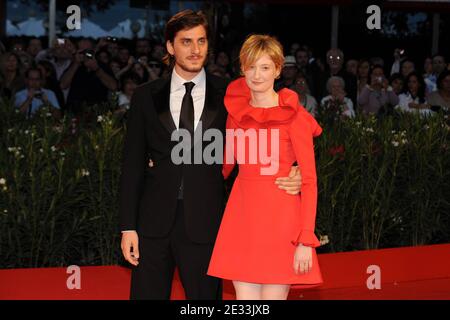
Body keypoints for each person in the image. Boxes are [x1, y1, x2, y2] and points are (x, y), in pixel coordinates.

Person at [118, 10, 302, 300]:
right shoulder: (145, 96)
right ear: (170, 47)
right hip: (152, 224)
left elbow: (279, 107)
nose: (195, 50)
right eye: (186, 42)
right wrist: (128, 226)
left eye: (201, 41)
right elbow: (132, 165)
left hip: (207, 224)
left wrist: (296, 169)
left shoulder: (232, 92)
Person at [207, 34, 323, 300]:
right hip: (242, 218)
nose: (257, 75)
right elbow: (222, 168)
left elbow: (309, 180)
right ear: (242, 69)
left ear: (278, 70)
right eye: (251, 66)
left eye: (265, 67)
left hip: (282, 223)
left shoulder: (294, 115)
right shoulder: (236, 113)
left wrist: (305, 239)